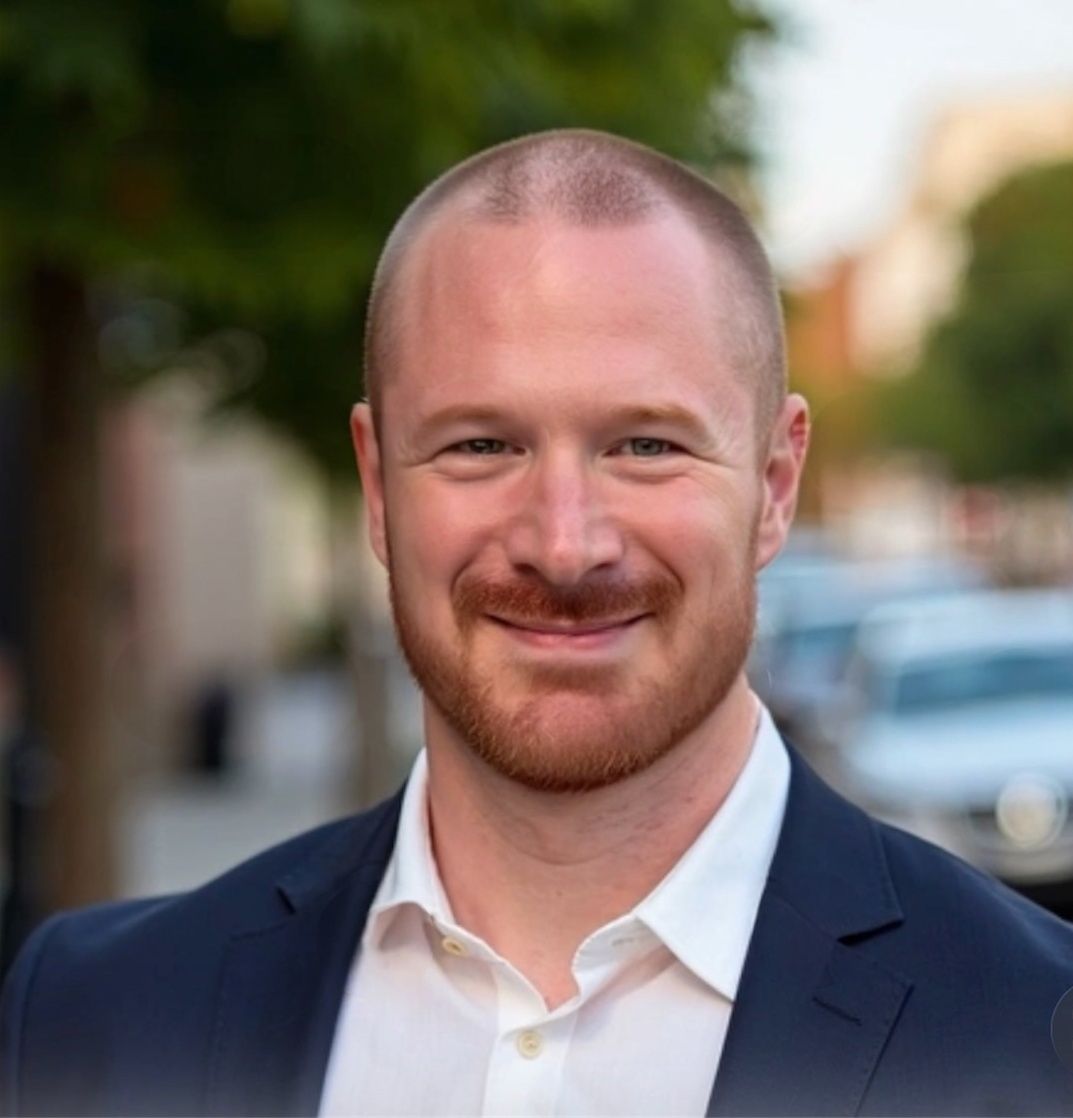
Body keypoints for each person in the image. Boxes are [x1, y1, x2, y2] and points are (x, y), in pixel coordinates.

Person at [3, 129, 1072, 1118]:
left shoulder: (1041, 1036)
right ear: (378, 486)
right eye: (480, 445)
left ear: (774, 481)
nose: (565, 545)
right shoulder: (91, 1016)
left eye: (644, 445)